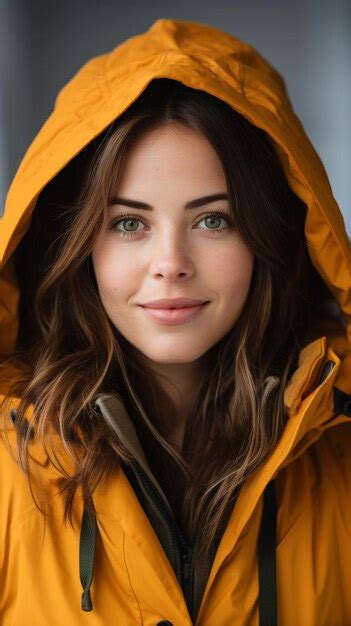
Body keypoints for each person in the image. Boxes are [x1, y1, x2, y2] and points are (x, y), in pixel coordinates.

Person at [0, 17, 350, 626]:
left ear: (268, 233)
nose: (171, 265)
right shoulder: (9, 464)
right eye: (129, 223)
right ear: (80, 243)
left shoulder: (340, 452)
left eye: (213, 220)